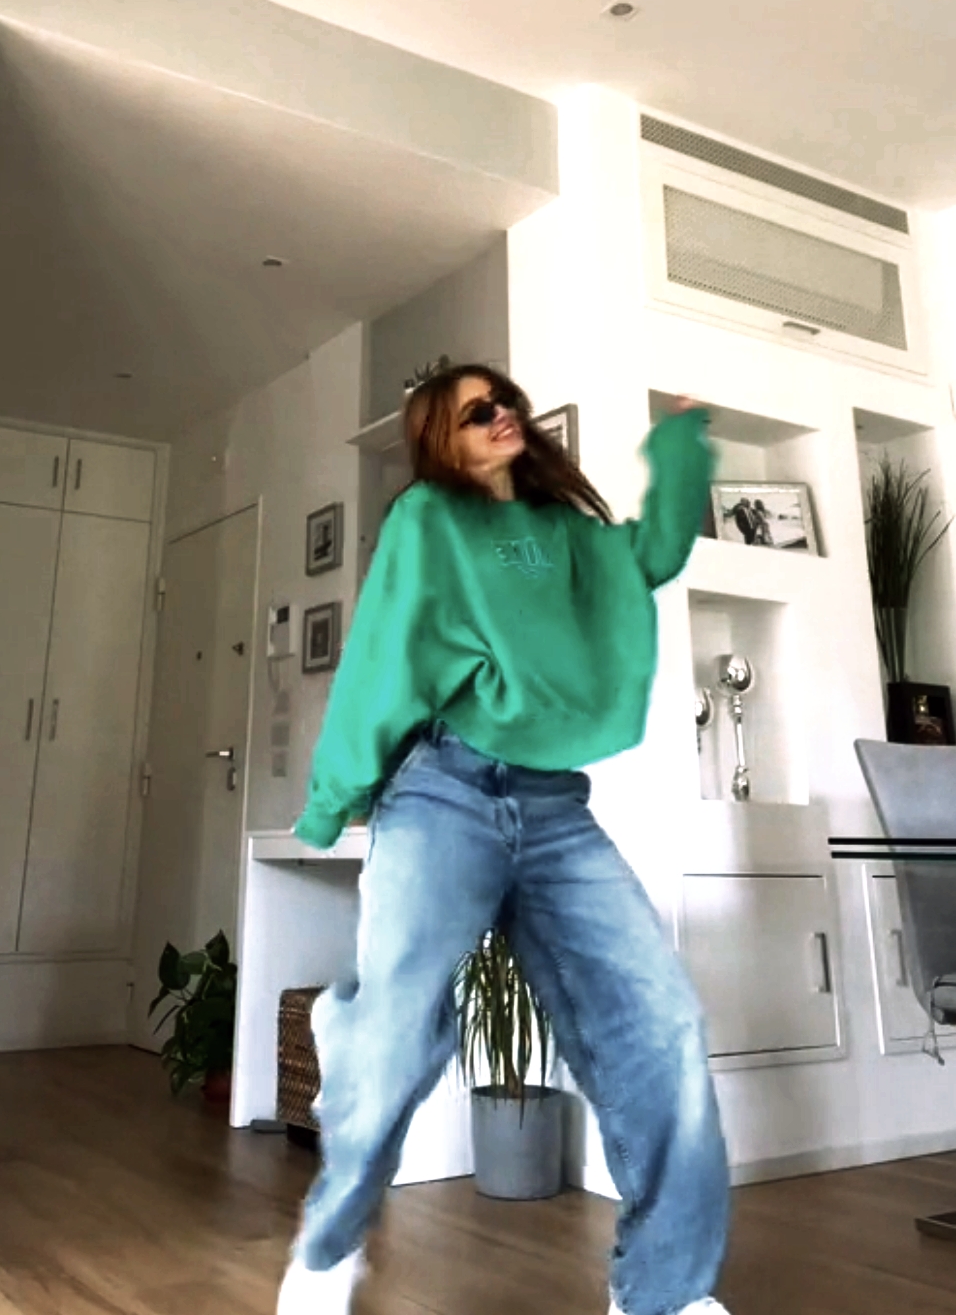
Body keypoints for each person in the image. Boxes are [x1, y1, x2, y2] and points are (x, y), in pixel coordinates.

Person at [277, 365, 732, 1315]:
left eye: (507, 402)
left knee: (662, 1023)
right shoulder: (426, 520)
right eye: (476, 411)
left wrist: (682, 441)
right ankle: (326, 1250)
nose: (501, 416)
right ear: (439, 440)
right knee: (398, 1032)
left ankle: (664, 1294)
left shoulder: (568, 535)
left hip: (556, 811)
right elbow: (381, 659)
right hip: (444, 793)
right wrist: (330, 802)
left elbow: (652, 552)